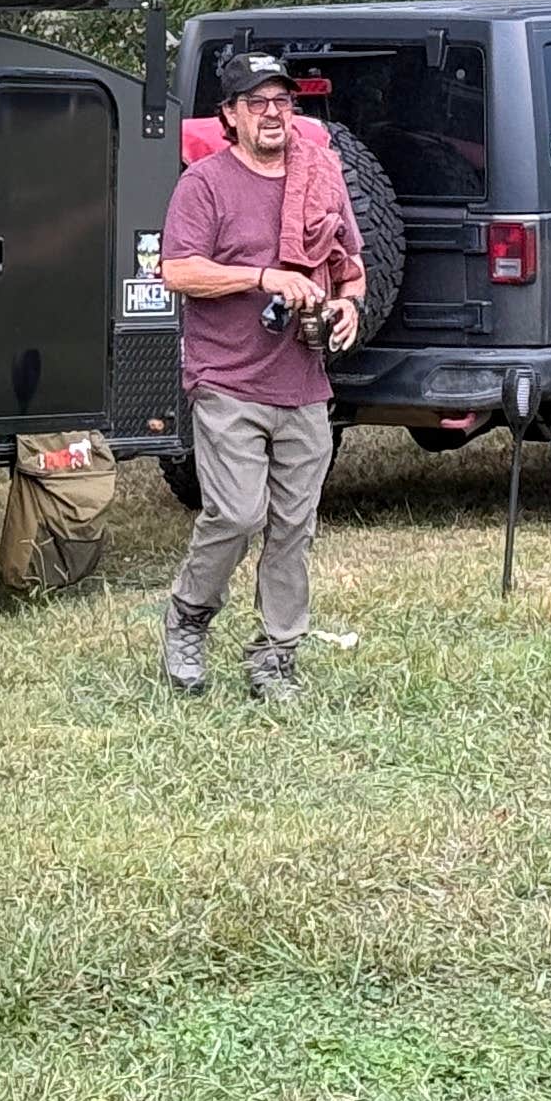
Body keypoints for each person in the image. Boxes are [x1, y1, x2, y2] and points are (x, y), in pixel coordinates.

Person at [155, 52, 364, 702]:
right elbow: (177, 272)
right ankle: (188, 617)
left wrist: (348, 306)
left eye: (283, 101)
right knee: (238, 515)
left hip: (303, 383)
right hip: (228, 380)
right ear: (231, 116)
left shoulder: (320, 176)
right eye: (258, 102)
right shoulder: (206, 184)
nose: (274, 113)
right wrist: (263, 276)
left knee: (294, 530)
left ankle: (275, 657)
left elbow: (351, 265)